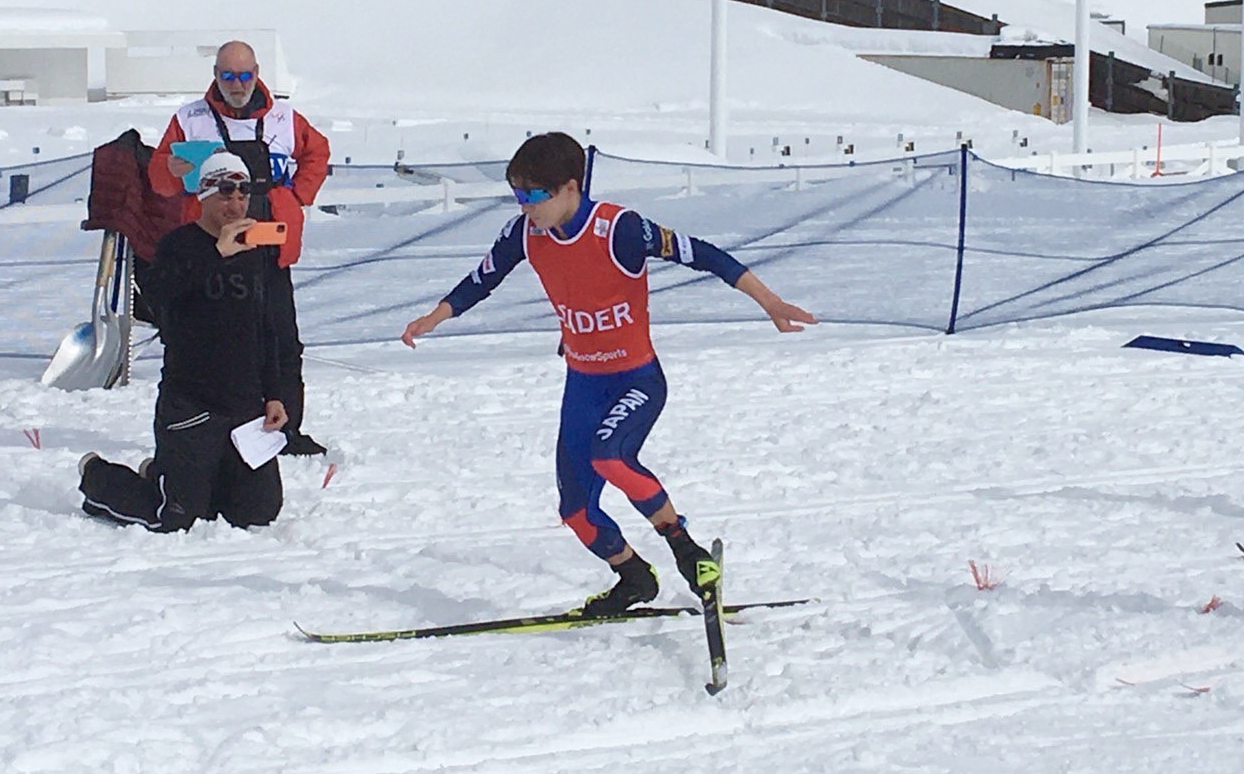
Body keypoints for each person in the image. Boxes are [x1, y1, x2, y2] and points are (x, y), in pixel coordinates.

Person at [402, 132, 817, 616]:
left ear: (571, 189)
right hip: (583, 384)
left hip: (636, 380)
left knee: (610, 458)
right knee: (576, 512)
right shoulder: (524, 234)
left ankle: (687, 551)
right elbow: (483, 278)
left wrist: (770, 302)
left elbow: (704, 254)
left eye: (536, 195)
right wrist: (436, 316)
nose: (526, 206)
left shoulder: (618, 228)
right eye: (517, 194)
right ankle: (634, 577)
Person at [79, 150, 288, 530]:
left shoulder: (252, 251)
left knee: (257, 513)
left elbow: (266, 328)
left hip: (243, 406)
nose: (236, 203)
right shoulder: (179, 246)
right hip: (192, 404)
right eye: (226, 193)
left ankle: (168, 474)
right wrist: (216, 254)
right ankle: (98, 476)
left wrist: (275, 392)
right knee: (175, 517)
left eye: (243, 194)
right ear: (205, 196)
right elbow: (156, 301)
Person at [148, 40, 330, 455]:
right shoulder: (189, 119)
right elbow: (158, 178)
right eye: (228, 76)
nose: (237, 84)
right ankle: (216, 425)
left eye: (245, 75)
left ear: (258, 73)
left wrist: (297, 197)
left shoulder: (285, 117)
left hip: (269, 242)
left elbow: (317, 153)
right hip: (212, 248)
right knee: (219, 338)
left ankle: (288, 430)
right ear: (215, 76)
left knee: (282, 339)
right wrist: (172, 171)